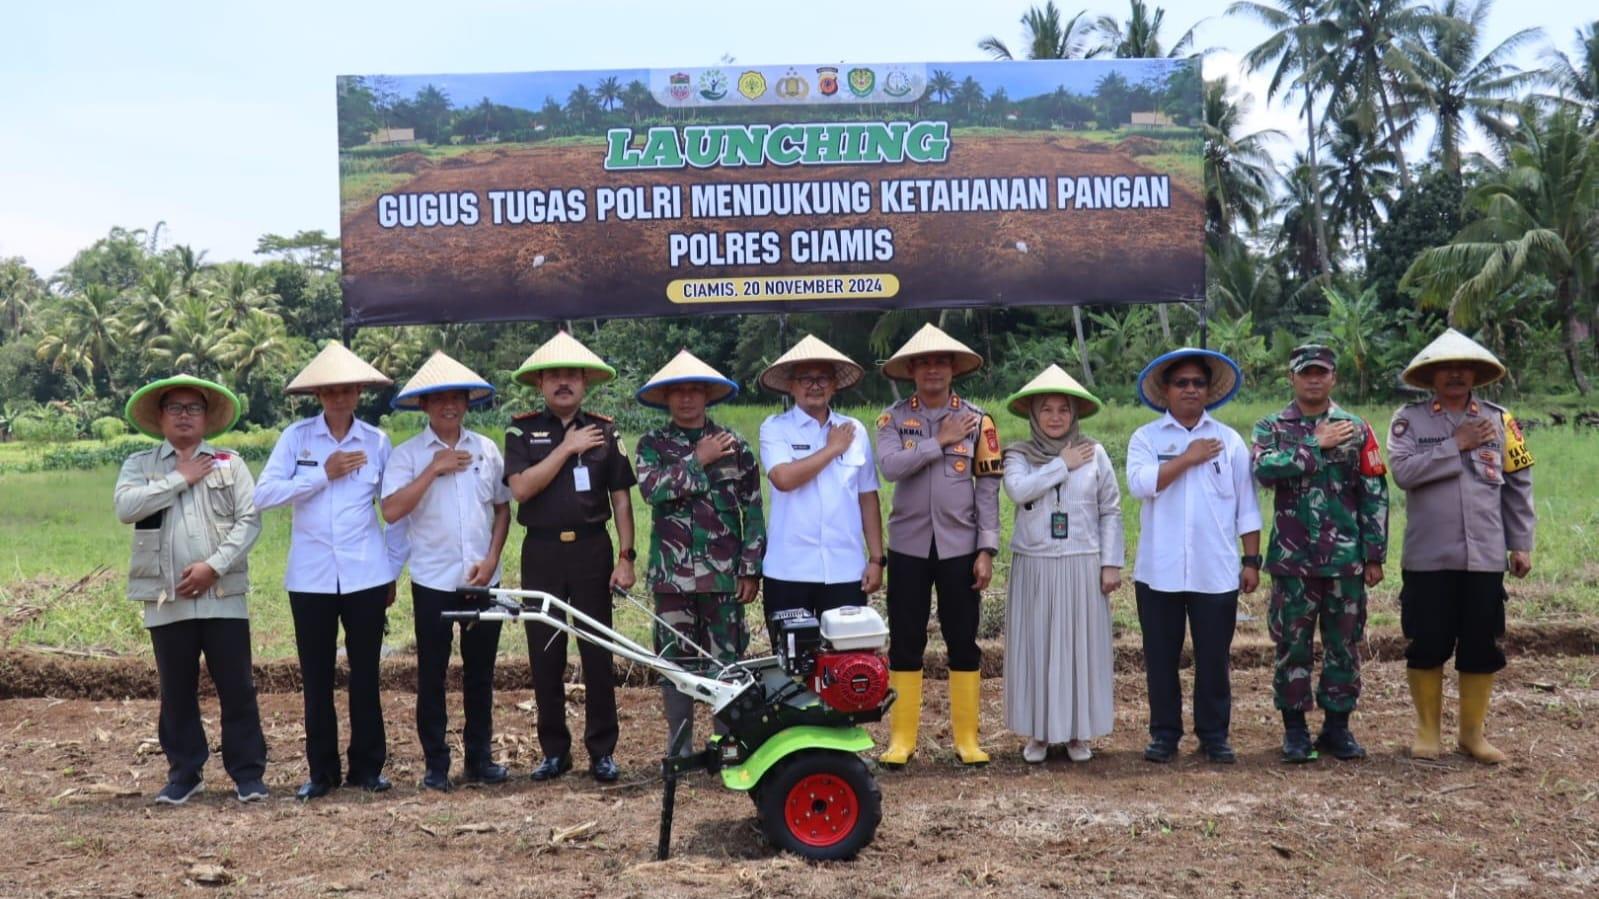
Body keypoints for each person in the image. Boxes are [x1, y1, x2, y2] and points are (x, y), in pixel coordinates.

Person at [256, 341, 406, 800]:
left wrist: (391, 571)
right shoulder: (297, 439)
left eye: (347, 389)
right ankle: (321, 773)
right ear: (318, 395)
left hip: (365, 574)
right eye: (329, 391)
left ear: (359, 392)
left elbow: (395, 512)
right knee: (316, 676)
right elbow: (263, 495)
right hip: (311, 577)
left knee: (365, 675)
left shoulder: (378, 442)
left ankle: (368, 768)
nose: (338, 397)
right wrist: (323, 473)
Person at [115, 375, 267, 805]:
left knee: (237, 688)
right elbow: (126, 508)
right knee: (176, 691)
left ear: (206, 417)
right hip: (167, 600)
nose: (185, 416)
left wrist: (214, 568)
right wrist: (179, 478)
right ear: (160, 417)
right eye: (176, 408)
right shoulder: (140, 465)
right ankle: (185, 773)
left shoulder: (229, 463)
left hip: (223, 597)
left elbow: (250, 521)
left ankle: (248, 775)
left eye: (193, 408)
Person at [1389, 329, 1535, 764]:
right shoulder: (1409, 420)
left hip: (1486, 555)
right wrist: (1457, 445)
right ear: (1431, 377)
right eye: (1444, 368)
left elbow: (1519, 484)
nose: (1454, 374)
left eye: (1462, 367)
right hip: (1428, 556)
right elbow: (1403, 472)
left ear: (1475, 374)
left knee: (1481, 646)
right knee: (1427, 642)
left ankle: (1472, 736)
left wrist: (1521, 543)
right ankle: (1427, 732)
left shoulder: (1502, 420)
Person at [504, 331, 636, 783]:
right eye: (554, 376)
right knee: (545, 654)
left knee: (597, 652)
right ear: (541, 384)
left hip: (591, 550)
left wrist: (626, 556)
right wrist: (565, 449)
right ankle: (554, 751)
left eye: (572, 376)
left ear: (585, 383)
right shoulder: (522, 430)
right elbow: (520, 488)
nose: (563, 383)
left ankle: (602, 750)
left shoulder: (605, 430)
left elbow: (620, 498)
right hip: (540, 553)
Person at [380, 352, 512, 791]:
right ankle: (436, 764)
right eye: (438, 399)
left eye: (456, 398)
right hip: (433, 580)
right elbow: (392, 510)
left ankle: (480, 758)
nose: (448, 406)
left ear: (467, 403)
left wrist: (492, 558)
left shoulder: (485, 449)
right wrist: (434, 469)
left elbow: (501, 509)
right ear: (424, 405)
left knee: (480, 673)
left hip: (482, 578)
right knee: (432, 674)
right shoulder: (407, 455)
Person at [1251, 345, 1389, 764]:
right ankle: (1294, 731)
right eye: (1305, 372)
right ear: (1291, 377)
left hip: (1344, 559)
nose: (1314, 379)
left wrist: (1374, 554)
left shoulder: (1356, 428)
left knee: (1343, 645)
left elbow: (1373, 490)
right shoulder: (1271, 426)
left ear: (1333, 378)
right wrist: (1314, 443)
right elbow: (1264, 470)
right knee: (1291, 645)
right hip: (1293, 563)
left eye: (1322, 372)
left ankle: (1337, 728)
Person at [873, 324, 1002, 767]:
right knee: (906, 640)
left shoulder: (979, 420)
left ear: (952, 369)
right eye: (924, 362)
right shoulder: (893, 419)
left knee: (962, 640)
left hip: (961, 547)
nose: (932, 369)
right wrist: (939, 441)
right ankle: (902, 739)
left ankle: (967, 739)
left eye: (940, 362)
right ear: (911, 370)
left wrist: (986, 549)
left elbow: (987, 488)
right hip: (909, 547)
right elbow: (890, 467)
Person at [1127, 348, 1262, 764]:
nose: (1190, 389)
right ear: (1165, 390)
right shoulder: (1146, 438)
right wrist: (1187, 458)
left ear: (1208, 391)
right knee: (1161, 658)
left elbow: (1247, 506)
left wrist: (1252, 561)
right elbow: (1141, 484)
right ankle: (1164, 734)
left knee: (1214, 658)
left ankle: (1214, 735)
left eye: (1197, 383)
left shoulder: (1230, 441)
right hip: (1158, 570)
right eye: (1181, 383)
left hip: (1215, 569)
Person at [634, 350, 765, 755]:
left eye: (695, 391)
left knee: (726, 663)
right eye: (678, 392)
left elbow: (753, 509)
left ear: (708, 396)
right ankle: (680, 747)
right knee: (676, 663)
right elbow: (651, 490)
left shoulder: (736, 447)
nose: (687, 399)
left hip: (724, 575)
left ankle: (725, 742)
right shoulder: (652, 444)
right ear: (666, 398)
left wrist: (750, 568)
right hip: (672, 577)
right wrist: (697, 460)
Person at [1000, 365, 1123, 764]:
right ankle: (1037, 733)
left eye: (1063, 410)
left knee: (1079, 648)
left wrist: (1111, 564)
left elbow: (1111, 510)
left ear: (1075, 414)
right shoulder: (1019, 455)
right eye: (1047, 409)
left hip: (1082, 563)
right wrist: (1061, 464)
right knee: (1037, 646)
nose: (1055, 417)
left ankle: (1076, 733)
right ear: (1033, 415)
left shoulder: (1095, 453)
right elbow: (1018, 491)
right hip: (1035, 564)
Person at [756, 335, 884, 640]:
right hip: (789, 571)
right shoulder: (775, 428)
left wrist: (877, 559)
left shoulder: (855, 430)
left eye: (823, 378)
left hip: (845, 569)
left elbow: (867, 497)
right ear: (791, 385)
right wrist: (832, 449)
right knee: (791, 668)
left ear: (835, 385)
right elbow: (783, 479)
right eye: (806, 378)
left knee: (845, 664)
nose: (815, 385)